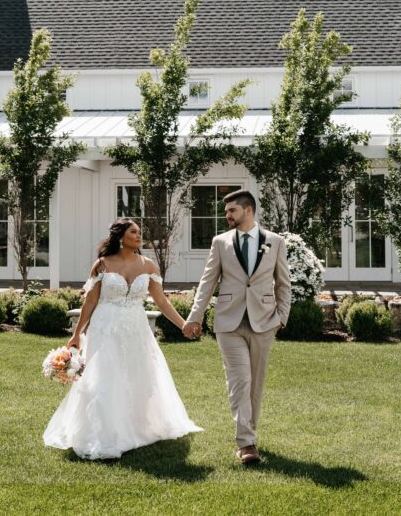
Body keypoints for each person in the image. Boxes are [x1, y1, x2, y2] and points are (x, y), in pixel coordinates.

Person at [43, 217, 202, 460]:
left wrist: (183, 325)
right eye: (133, 232)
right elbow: (91, 301)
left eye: (140, 232)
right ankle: (105, 431)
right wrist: (77, 334)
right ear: (120, 236)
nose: (139, 236)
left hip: (136, 328)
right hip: (105, 327)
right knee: (106, 376)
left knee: (139, 374)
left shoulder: (148, 265)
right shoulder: (103, 264)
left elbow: (161, 301)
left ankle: (137, 427)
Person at [183, 189, 291, 466]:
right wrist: (195, 316)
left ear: (248, 210)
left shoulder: (275, 241)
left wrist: (281, 317)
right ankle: (246, 443)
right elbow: (208, 282)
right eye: (227, 211)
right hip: (228, 322)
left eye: (232, 210)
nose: (227, 215)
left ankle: (249, 434)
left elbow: (283, 282)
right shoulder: (221, 242)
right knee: (239, 381)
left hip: (264, 322)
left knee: (256, 383)